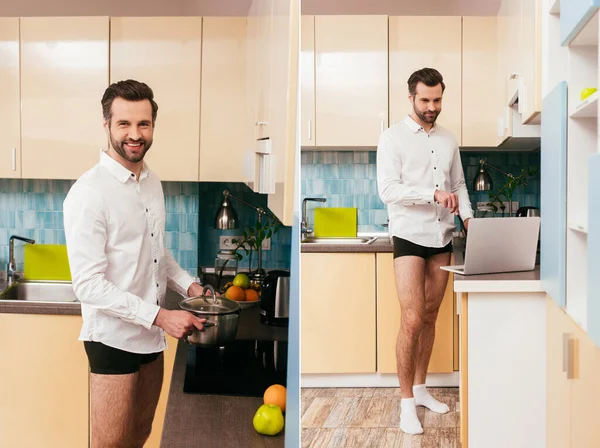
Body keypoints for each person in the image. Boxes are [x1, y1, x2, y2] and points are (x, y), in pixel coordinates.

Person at [63, 79, 209, 447]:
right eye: (124, 123)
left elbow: (158, 252)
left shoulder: (152, 182)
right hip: (112, 339)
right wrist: (163, 316)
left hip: (150, 338)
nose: (134, 134)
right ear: (107, 125)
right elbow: (88, 285)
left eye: (143, 124)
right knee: (110, 445)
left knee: (139, 437)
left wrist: (189, 286)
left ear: (153, 127)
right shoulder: (89, 193)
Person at [376, 68, 473, 435]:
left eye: (437, 100)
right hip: (409, 235)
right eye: (425, 100)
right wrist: (430, 193)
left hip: (442, 235)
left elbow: (459, 183)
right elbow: (388, 189)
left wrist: (467, 216)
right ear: (411, 97)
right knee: (412, 318)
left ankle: (420, 389)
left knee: (431, 316)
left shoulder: (448, 139)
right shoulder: (392, 138)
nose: (432, 107)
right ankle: (405, 404)